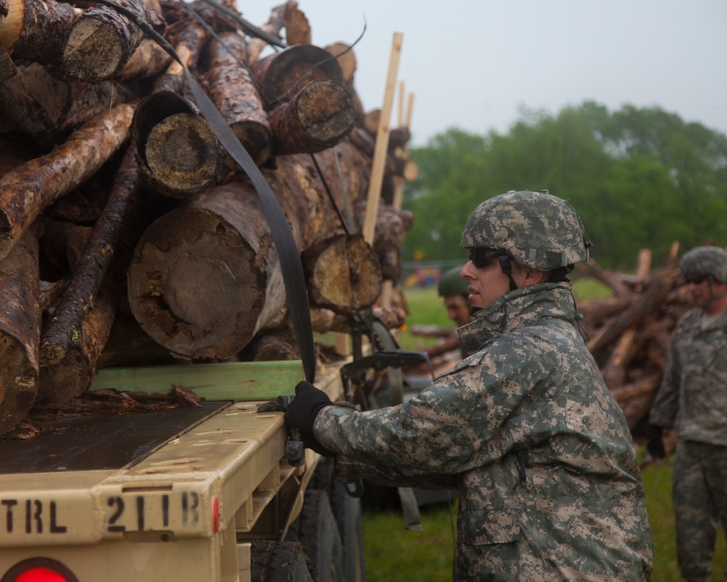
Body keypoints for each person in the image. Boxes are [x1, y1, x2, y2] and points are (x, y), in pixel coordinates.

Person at [281, 190, 654, 580]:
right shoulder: (549, 339)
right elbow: (458, 456)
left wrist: (320, 420)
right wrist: (343, 452)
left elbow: (419, 433)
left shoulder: (527, 351)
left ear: (530, 272)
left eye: (482, 259)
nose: (465, 271)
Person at [647, 245, 727, 582]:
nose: (691, 288)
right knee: (691, 539)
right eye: (688, 281)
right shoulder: (687, 325)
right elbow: (673, 380)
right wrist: (658, 423)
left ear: (720, 280)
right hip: (692, 446)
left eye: (699, 281)